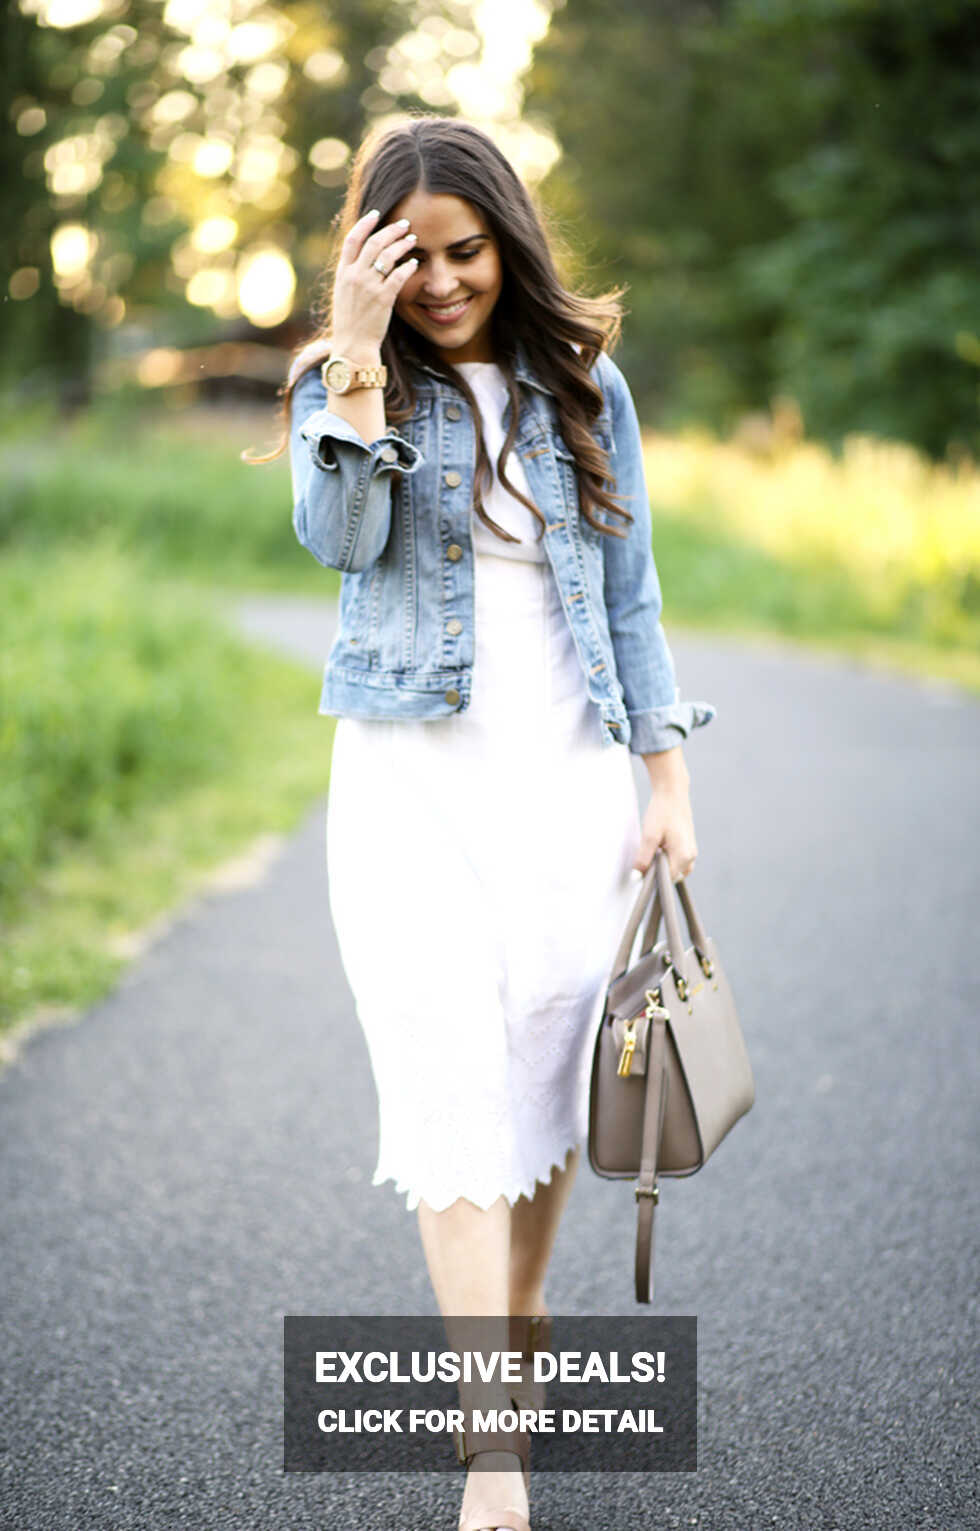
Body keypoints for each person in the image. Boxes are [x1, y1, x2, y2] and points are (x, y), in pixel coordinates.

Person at [263, 114, 715, 1531]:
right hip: (413, 788)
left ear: (506, 242)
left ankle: (510, 1337)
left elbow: (630, 595)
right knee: (451, 1072)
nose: (446, 282)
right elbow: (341, 544)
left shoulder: (585, 382)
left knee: (550, 1065)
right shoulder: (338, 388)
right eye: (414, 259)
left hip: (570, 780)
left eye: (467, 252)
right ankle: (491, 1450)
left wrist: (667, 779)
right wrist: (352, 360)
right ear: (369, 257)